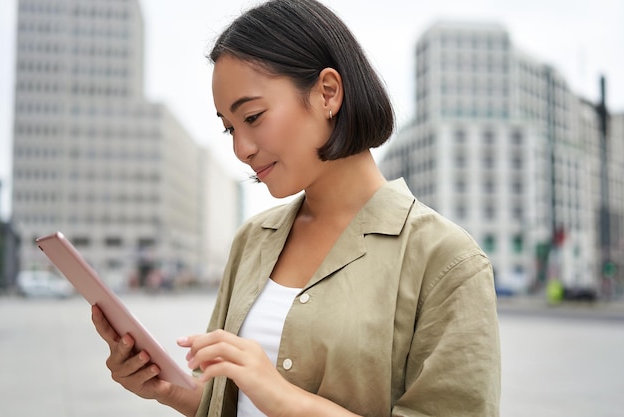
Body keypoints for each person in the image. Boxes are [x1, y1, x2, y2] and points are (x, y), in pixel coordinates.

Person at [92, 0, 501, 416]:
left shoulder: (447, 260)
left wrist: (284, 398)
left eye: (252, 116)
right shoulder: (252, 240)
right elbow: (229, 401)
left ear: (328, 92)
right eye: (229, 128)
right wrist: (168, 389)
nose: (241, 149)